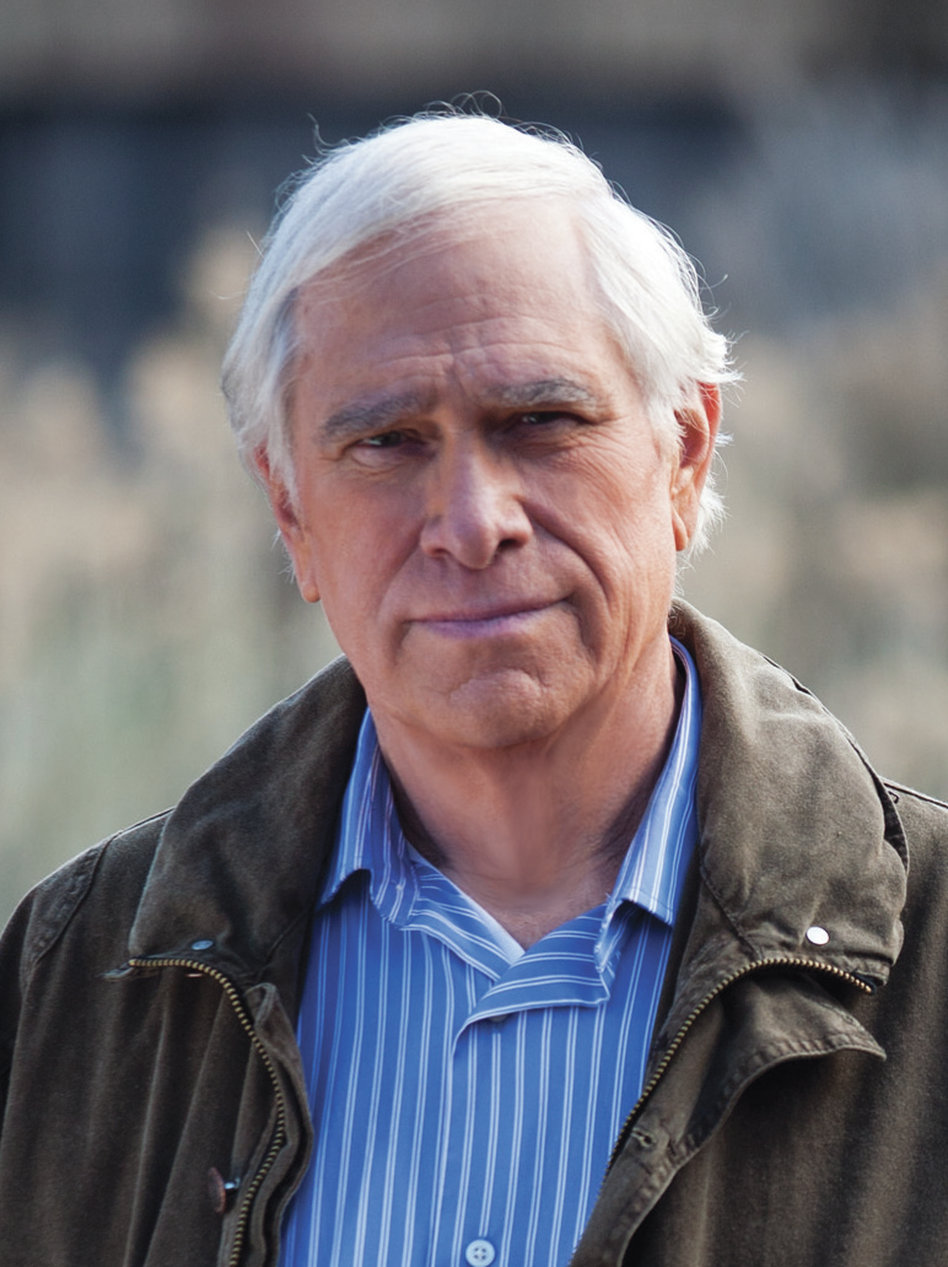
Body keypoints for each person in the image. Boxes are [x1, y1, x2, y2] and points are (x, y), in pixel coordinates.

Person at [1, 111, 946, 1267]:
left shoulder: (928, 951)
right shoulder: (77, 983)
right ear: (290, 509)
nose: (472, 521)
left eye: (540, 422)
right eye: (388, 443)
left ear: (686, 451)